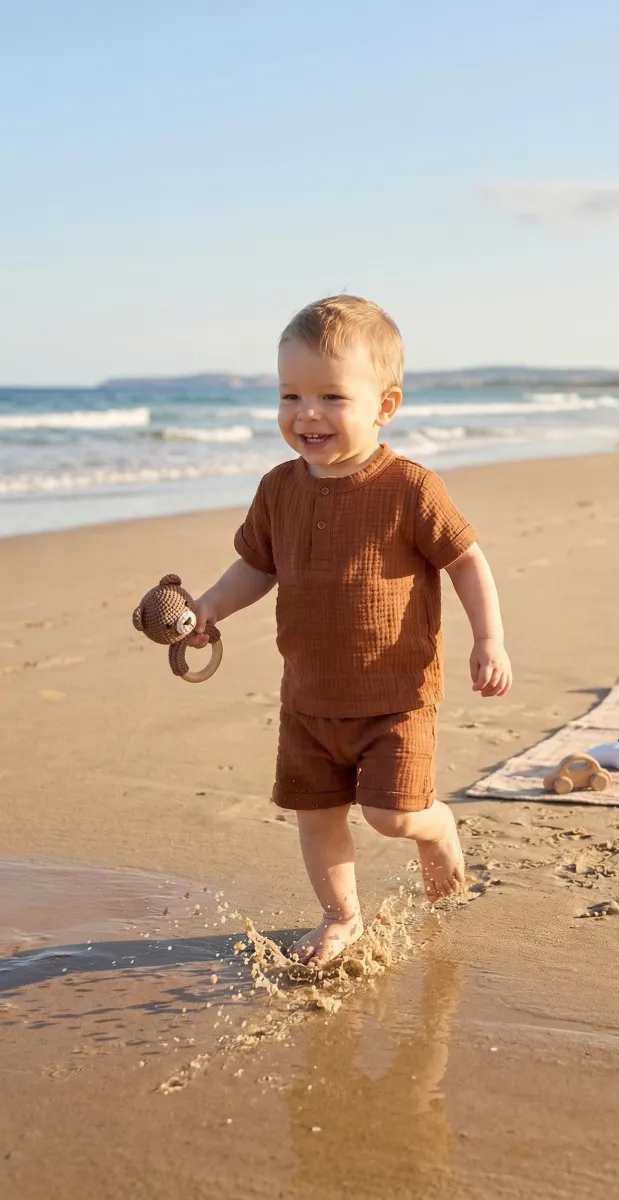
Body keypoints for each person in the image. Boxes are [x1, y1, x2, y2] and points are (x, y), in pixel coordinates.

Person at [187, 295, 512, 965]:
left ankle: (436, 826)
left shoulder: (409, 488)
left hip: (395, 696)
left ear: (384, 406)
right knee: (318, 815)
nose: (306, 413)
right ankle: (341, 918)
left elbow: (467, 560)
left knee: (391, 815)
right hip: (308, 699)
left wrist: (489, 639)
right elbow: (256, 565)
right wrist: (212, 606)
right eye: (291, 395)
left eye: (331, 396)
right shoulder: (279, 489)